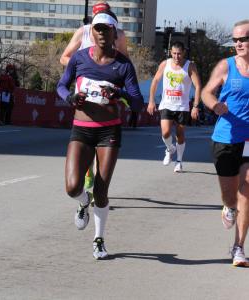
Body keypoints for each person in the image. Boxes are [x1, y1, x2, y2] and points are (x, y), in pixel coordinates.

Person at [57, 11, 143, 259]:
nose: (103, 33)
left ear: (115, 33)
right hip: (81, 129)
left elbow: (137, 103)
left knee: (102, 191)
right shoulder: (80, 58)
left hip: (109, 131)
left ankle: (99, 239)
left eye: (107, 29)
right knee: (73, 187)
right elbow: (62, 85)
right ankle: (83, 202)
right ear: (91, 33)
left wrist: (120, 95)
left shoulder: (124, 65)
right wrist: (70, 97)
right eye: (98, 29)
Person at [60, 1, 129, 191]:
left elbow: (125, 62)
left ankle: (99, 186)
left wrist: (115, 81)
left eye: (105, 14)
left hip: (108, 95)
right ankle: (88, 174)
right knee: (83, 145)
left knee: (102, 151)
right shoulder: (83, 32)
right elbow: (64, 57)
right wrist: (83, 69)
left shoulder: (119, 34)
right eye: (97, 17)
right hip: (85, 94)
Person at [201, 20, 249, 267]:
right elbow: (206, 92)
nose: (239, 43)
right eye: (236, 39)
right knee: (231, 195)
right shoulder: (226, 66)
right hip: (226, 138)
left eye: (244, 39)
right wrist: (214, 105)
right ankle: (228, 207)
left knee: (247, 189)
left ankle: (238, 248)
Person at [147, 41, 201, 172]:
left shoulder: (190, 66)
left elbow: (198, 86)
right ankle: (169, 149)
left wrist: (195, 106)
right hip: (167, 104)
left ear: (184, 53)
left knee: (180, 135)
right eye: (174, 53)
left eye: (179, 54)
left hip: (182, 107)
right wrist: (151, 100)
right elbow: (155, 81)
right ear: (171, 52)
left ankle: (179, 161)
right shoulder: (165, 64)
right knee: (165, 133)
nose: (177, 57)